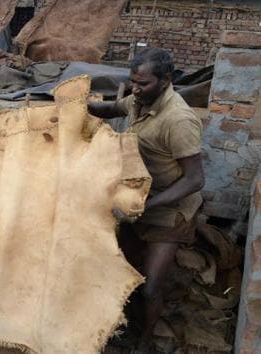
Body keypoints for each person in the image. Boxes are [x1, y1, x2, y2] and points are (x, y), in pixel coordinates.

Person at [88, 48, 205, 353]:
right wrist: (82, 105)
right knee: (127, 274)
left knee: (151, 285)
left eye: (143, 83)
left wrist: (146, 207)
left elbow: (195, 180)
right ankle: (123, 325)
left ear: (166, 80)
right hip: (135, 201)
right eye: (133, 82)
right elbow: (113, 109)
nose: (135, 89)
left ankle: (145, 341)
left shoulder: (178, 121)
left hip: (168, 211)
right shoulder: (139, 101)